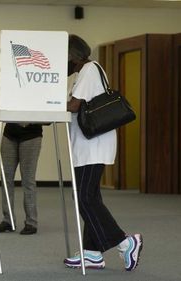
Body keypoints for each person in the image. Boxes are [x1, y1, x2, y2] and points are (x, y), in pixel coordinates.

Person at [64, 34, 143, 270]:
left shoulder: (89, 68)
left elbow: (74, 106)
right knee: (89, 197)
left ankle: (126, 242)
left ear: (71, 55)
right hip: (87, 146)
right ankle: (92, 253)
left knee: (84, 198)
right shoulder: (83, 73)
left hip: (93, 147)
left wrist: (44, 102)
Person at [0, 123, 43, 235]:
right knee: (6, 178)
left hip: (31, 135)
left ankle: (31, 222)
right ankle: (8, 219)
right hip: (9, 134)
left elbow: (47, 119)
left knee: (28, 180)